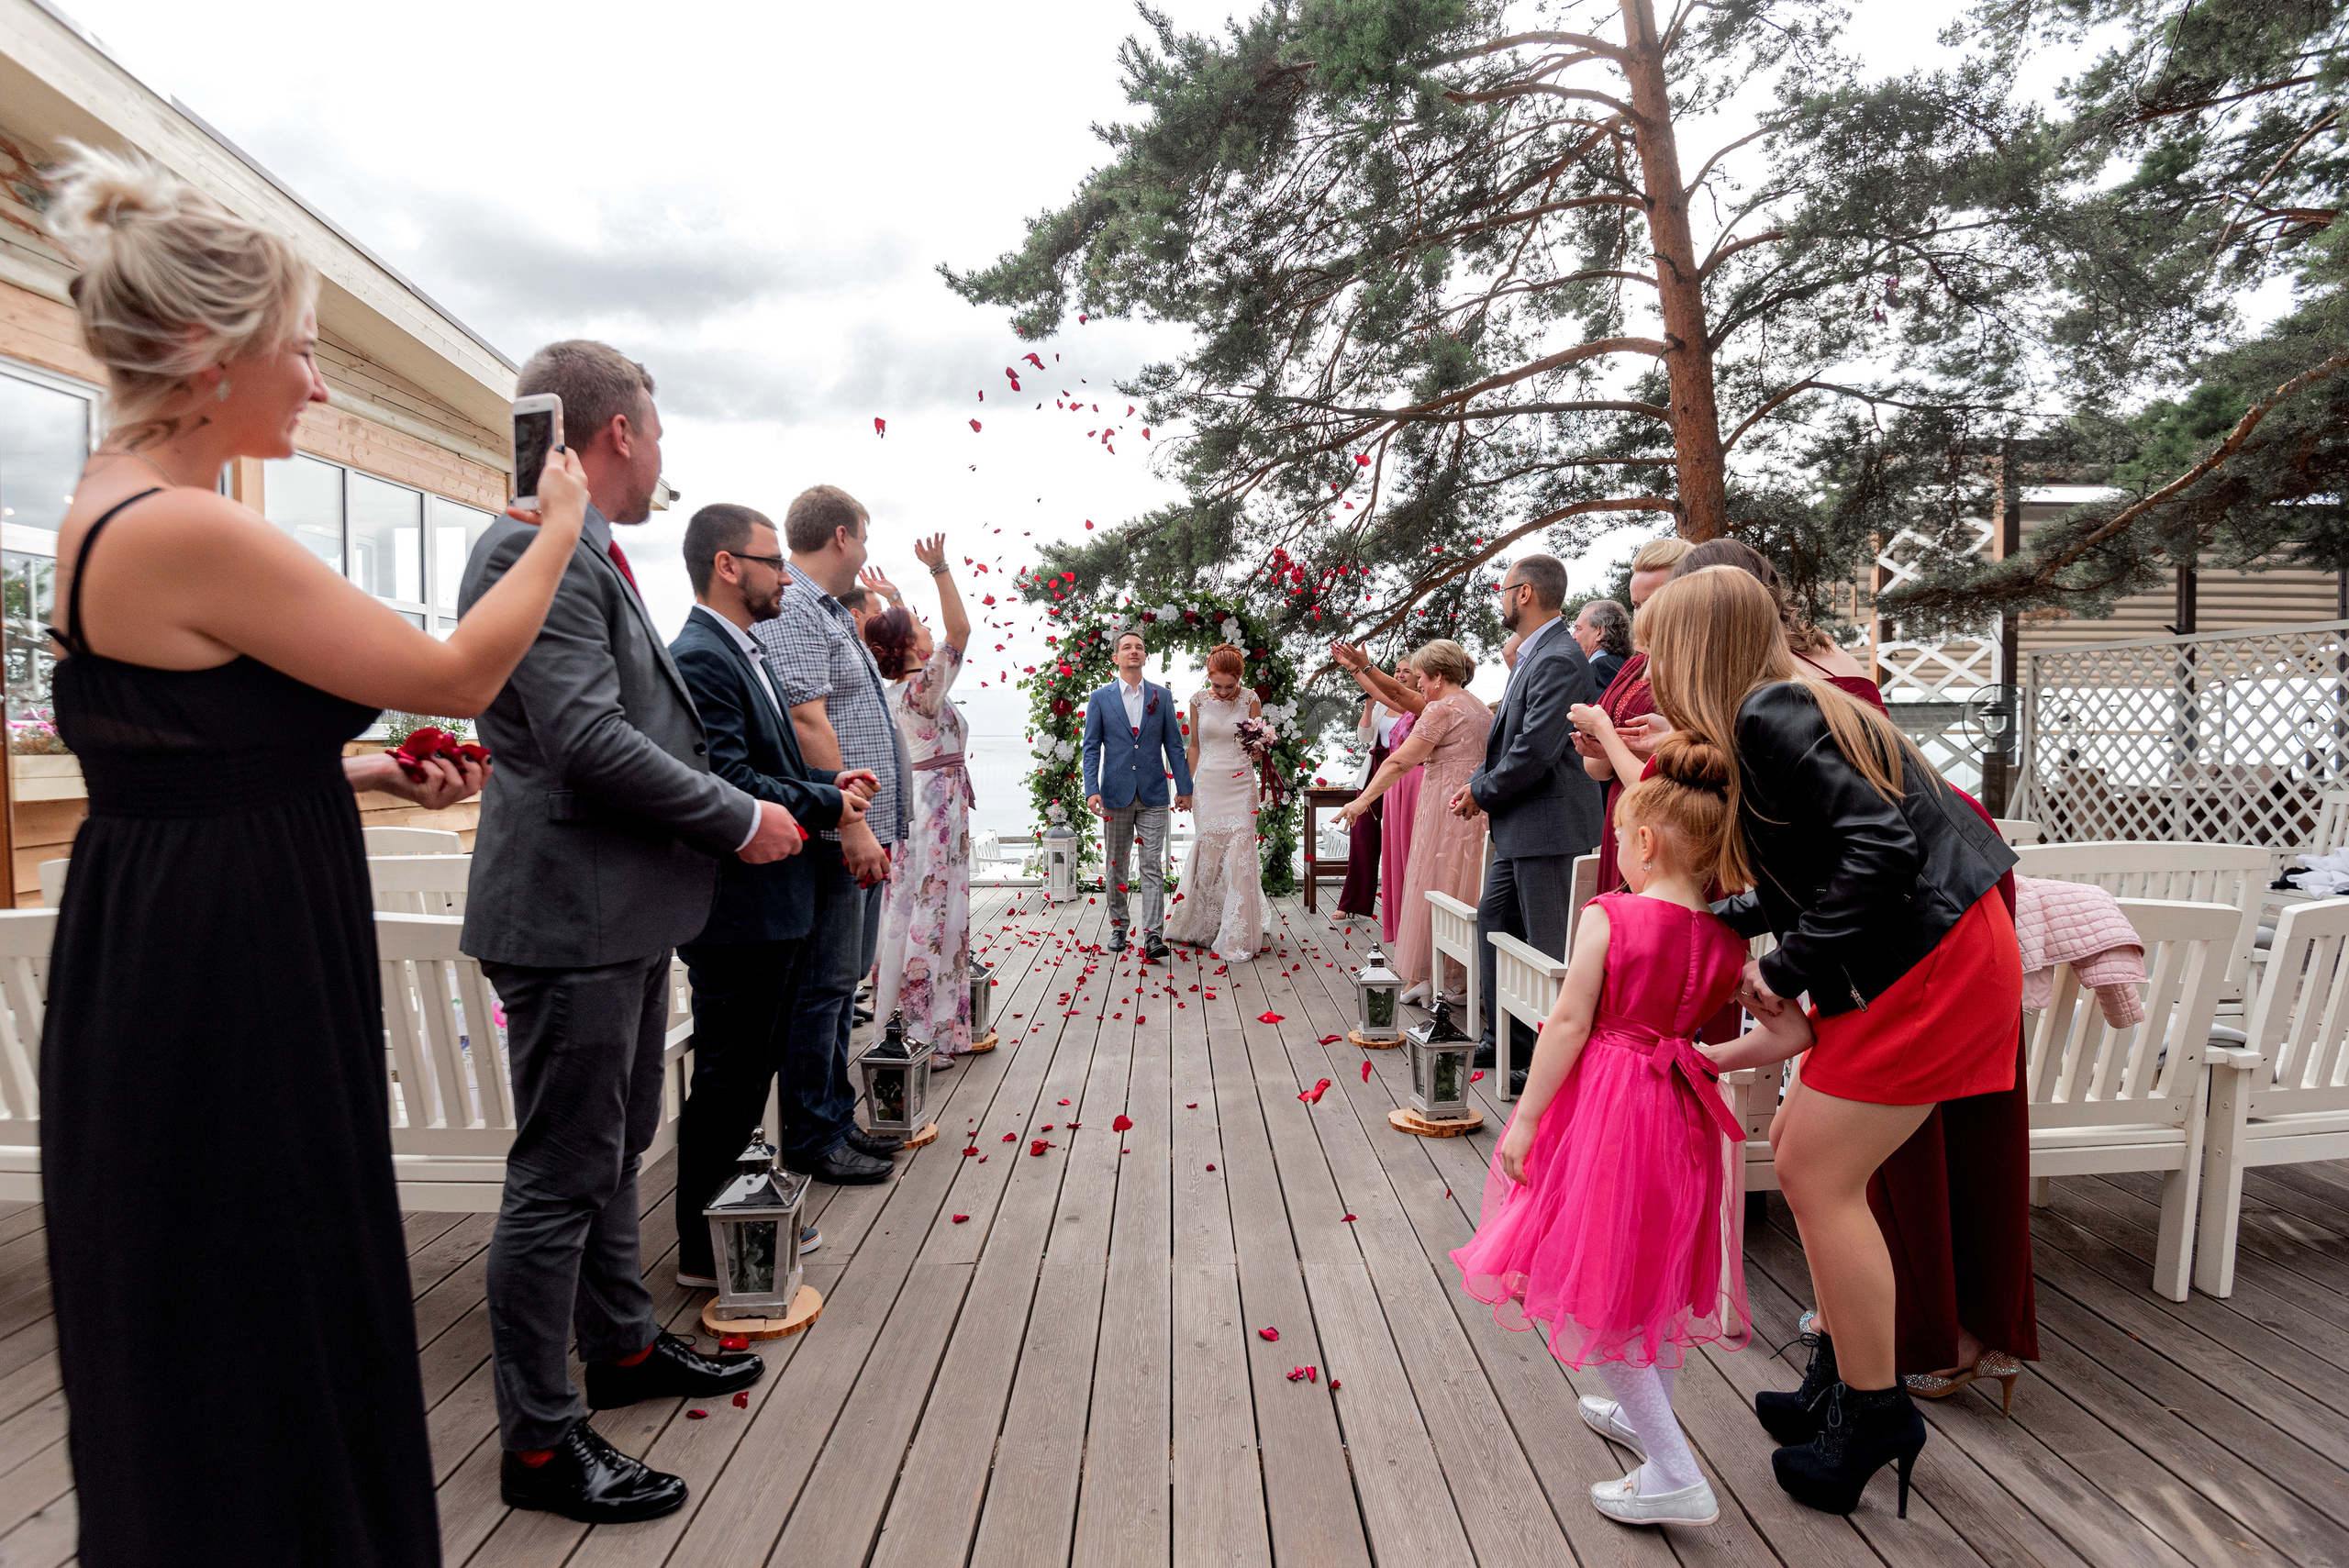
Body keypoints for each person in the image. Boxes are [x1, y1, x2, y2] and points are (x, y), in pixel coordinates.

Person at [35, 147, 572, 1568]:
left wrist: (355, 765)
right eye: (306, 353)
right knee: (256, 1288)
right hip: (229, 969)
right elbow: (458, 668)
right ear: (212, 353)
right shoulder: (185, 525)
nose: (320, 387)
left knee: (215, 1291)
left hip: (185, 921)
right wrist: (559, 531)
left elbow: (167, 758)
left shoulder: (111, 505)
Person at [462, 341, 797, 1523]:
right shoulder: (531, 548)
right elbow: (585, 741)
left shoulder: (588, 553)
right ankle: (543, 1444)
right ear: (616, 434)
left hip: (615, 906)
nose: (663, 458)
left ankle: (621, 1343)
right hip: (570, 911)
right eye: (656, 432)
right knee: (560, 1172)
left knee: (616, 1143)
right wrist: (741, 815)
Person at [1642, 567, 2020, 1516]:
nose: (1646, 670)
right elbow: (1827, 863)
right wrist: (1730, 918)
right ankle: (1843, 1380)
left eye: (1656, 649)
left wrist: (1783, 964)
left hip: (1926, 966)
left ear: (1695, 651)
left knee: (1814, 1173)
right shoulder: (1793, 702)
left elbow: (1881, 853)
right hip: (1923, 950)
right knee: (1816, 1164)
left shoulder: (1772, 713)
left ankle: (1875, 1408)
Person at [1453, 739, 1813, 1529]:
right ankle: (1641, 1421)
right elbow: (1792, 1039)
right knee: (1650, 1267)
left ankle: (1675, 1471)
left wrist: (1530, 1118)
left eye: (1620, 837)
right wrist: (1712, 1054)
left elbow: (1572, 1022)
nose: (1619, 849)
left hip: (1610, 1110)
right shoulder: (1728, 941)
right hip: (1680, 1111)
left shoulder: (1610, 914)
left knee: (1601, 1283)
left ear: (1643, 842)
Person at [670, 504, 882, 1290]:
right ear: (729, 565)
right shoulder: (700, 657)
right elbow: (727, 781)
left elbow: (765, 764)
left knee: (749, 1068)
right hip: (740, 910)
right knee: (729, 1078)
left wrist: (828, 782)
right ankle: (703, 1248)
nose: (784, 575)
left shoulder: (742, 648)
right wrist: (826, 804)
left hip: (771, 901)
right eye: (771, 561)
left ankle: (738, 1222)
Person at [754, 485, 905, 1184]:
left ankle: (837, 1117)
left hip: (861, 827)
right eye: (865, 539)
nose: (867, 554)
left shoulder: (830, 612)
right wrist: (853, 824)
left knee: (845, 981)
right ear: (841, 536)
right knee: (825, 984)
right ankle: (815, 1134)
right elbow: (808, 721)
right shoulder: (793, 609)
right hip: (840, 833)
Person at [1453, 553, 1606, 1071]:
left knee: (1546, 949)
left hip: (1548, 826)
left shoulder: (1559, 656)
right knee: (1495, 921)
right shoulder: (1536, 652)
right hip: (1522, 824)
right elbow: (1508, 741)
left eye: (1503, 588)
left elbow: (1534, 751)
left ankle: (1550, 1061)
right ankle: (1508, 1039)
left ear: (1525, 594)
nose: (1499, 598)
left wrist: (1482, 792)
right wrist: (1480, 784)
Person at [863, 534, 978, 1052]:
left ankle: (925, 1027)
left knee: (920, 911)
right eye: (916, 623)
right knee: (931, 915)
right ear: (911, 646)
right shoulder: (921, 691)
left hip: (932, 809)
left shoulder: (903, 691)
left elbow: (923, 636)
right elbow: (960, 630)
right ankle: (919, 1032)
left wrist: (892, 602)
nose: (925, 624)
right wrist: (939, 568)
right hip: (934, 816)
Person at [1338, 640, 1490, 1000]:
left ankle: (1433, 976)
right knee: (1465, 891)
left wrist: (1362, 802)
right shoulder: (1479, 708)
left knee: (1434, 887)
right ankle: (1457, 977)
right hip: (1476, 811)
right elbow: (1396, 696)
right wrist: (1361, 669)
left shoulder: (1440, 710)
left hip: (1445, 808)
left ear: (1437, 677)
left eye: (1420, 677)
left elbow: (1400, 761)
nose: (1417, 684)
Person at [1577, 536, 1690, 895]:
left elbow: (1676, 770)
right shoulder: (1632, 667)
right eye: (1637, 604)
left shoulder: (1699, 669)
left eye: (1654, 602)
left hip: (1672, 827)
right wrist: (1610, 746)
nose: (1643, 616)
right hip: (1622, 816)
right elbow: (1595, 768)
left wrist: (1607, 735)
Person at [1082, 628, 1196, 960]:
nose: (1134, 651)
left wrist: (1184, 788)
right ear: (1116, 658)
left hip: (1154, 795)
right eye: (1127, 648)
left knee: (1151, 865)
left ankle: (1152, 935)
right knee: (1116, 865)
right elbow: (1091, 749)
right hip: (1114, 793)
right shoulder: (1100, 699)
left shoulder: (1161, 697)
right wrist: (1092, 790)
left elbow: (1174, 745)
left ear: (1145, 657)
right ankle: (1119, 927)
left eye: (1139, 648)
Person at [1166, 644, 1271, 959]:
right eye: (1217, 685)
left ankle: (1238, 932)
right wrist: (1185, 786)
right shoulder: (1197, 701)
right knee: (1209, 851)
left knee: (1240, 854)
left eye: (1231, 686)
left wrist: (1258, 749)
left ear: (1239, 678)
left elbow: (1257, 744)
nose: (1224, 692)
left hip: (1241, 787)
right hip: (1209, 787)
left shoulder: (1251, 699)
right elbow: (1195, 747)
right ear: (1208, 677)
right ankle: (1204, 924)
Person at [1572, 597, 1633, 695]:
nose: (1573, 636)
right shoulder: (1629, 666)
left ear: (1600, 632)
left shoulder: (1599, 669)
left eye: (1578, 629)